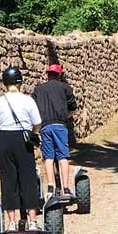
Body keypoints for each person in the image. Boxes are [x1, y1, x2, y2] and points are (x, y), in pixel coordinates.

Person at [0, 65, 42, 233]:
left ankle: (12, 221)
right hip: (24, 140)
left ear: (5, 83)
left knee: (8, 179)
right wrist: (33, 134)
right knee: (27, 178)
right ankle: (32, 220)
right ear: (20, 82)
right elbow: (37, 122)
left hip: (5, 139)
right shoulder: (28, 100)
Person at [33, 61, 78, 199]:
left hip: (45, 125)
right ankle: (65, 187)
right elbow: (73, 108)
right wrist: (65, 117)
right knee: (63, 156)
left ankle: (51, 187)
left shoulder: (38, 89)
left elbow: (33, 108)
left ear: (48, 74)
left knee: (48, 157)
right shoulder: (65, 88)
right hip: (60, 125)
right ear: (59, 74)